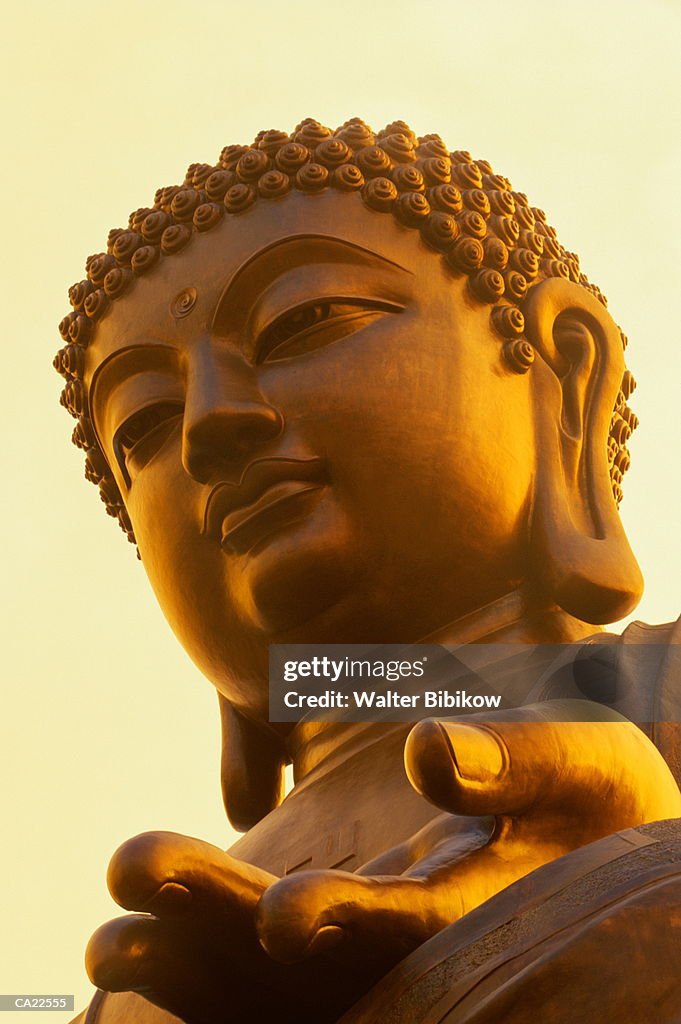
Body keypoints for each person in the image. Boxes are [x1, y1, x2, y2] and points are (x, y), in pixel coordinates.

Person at [56, 119, 681, 1024]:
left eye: (305, 320)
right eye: (144, 423)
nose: (207, 428)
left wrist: (627, 883)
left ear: (564, 374)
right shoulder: (154, 966)